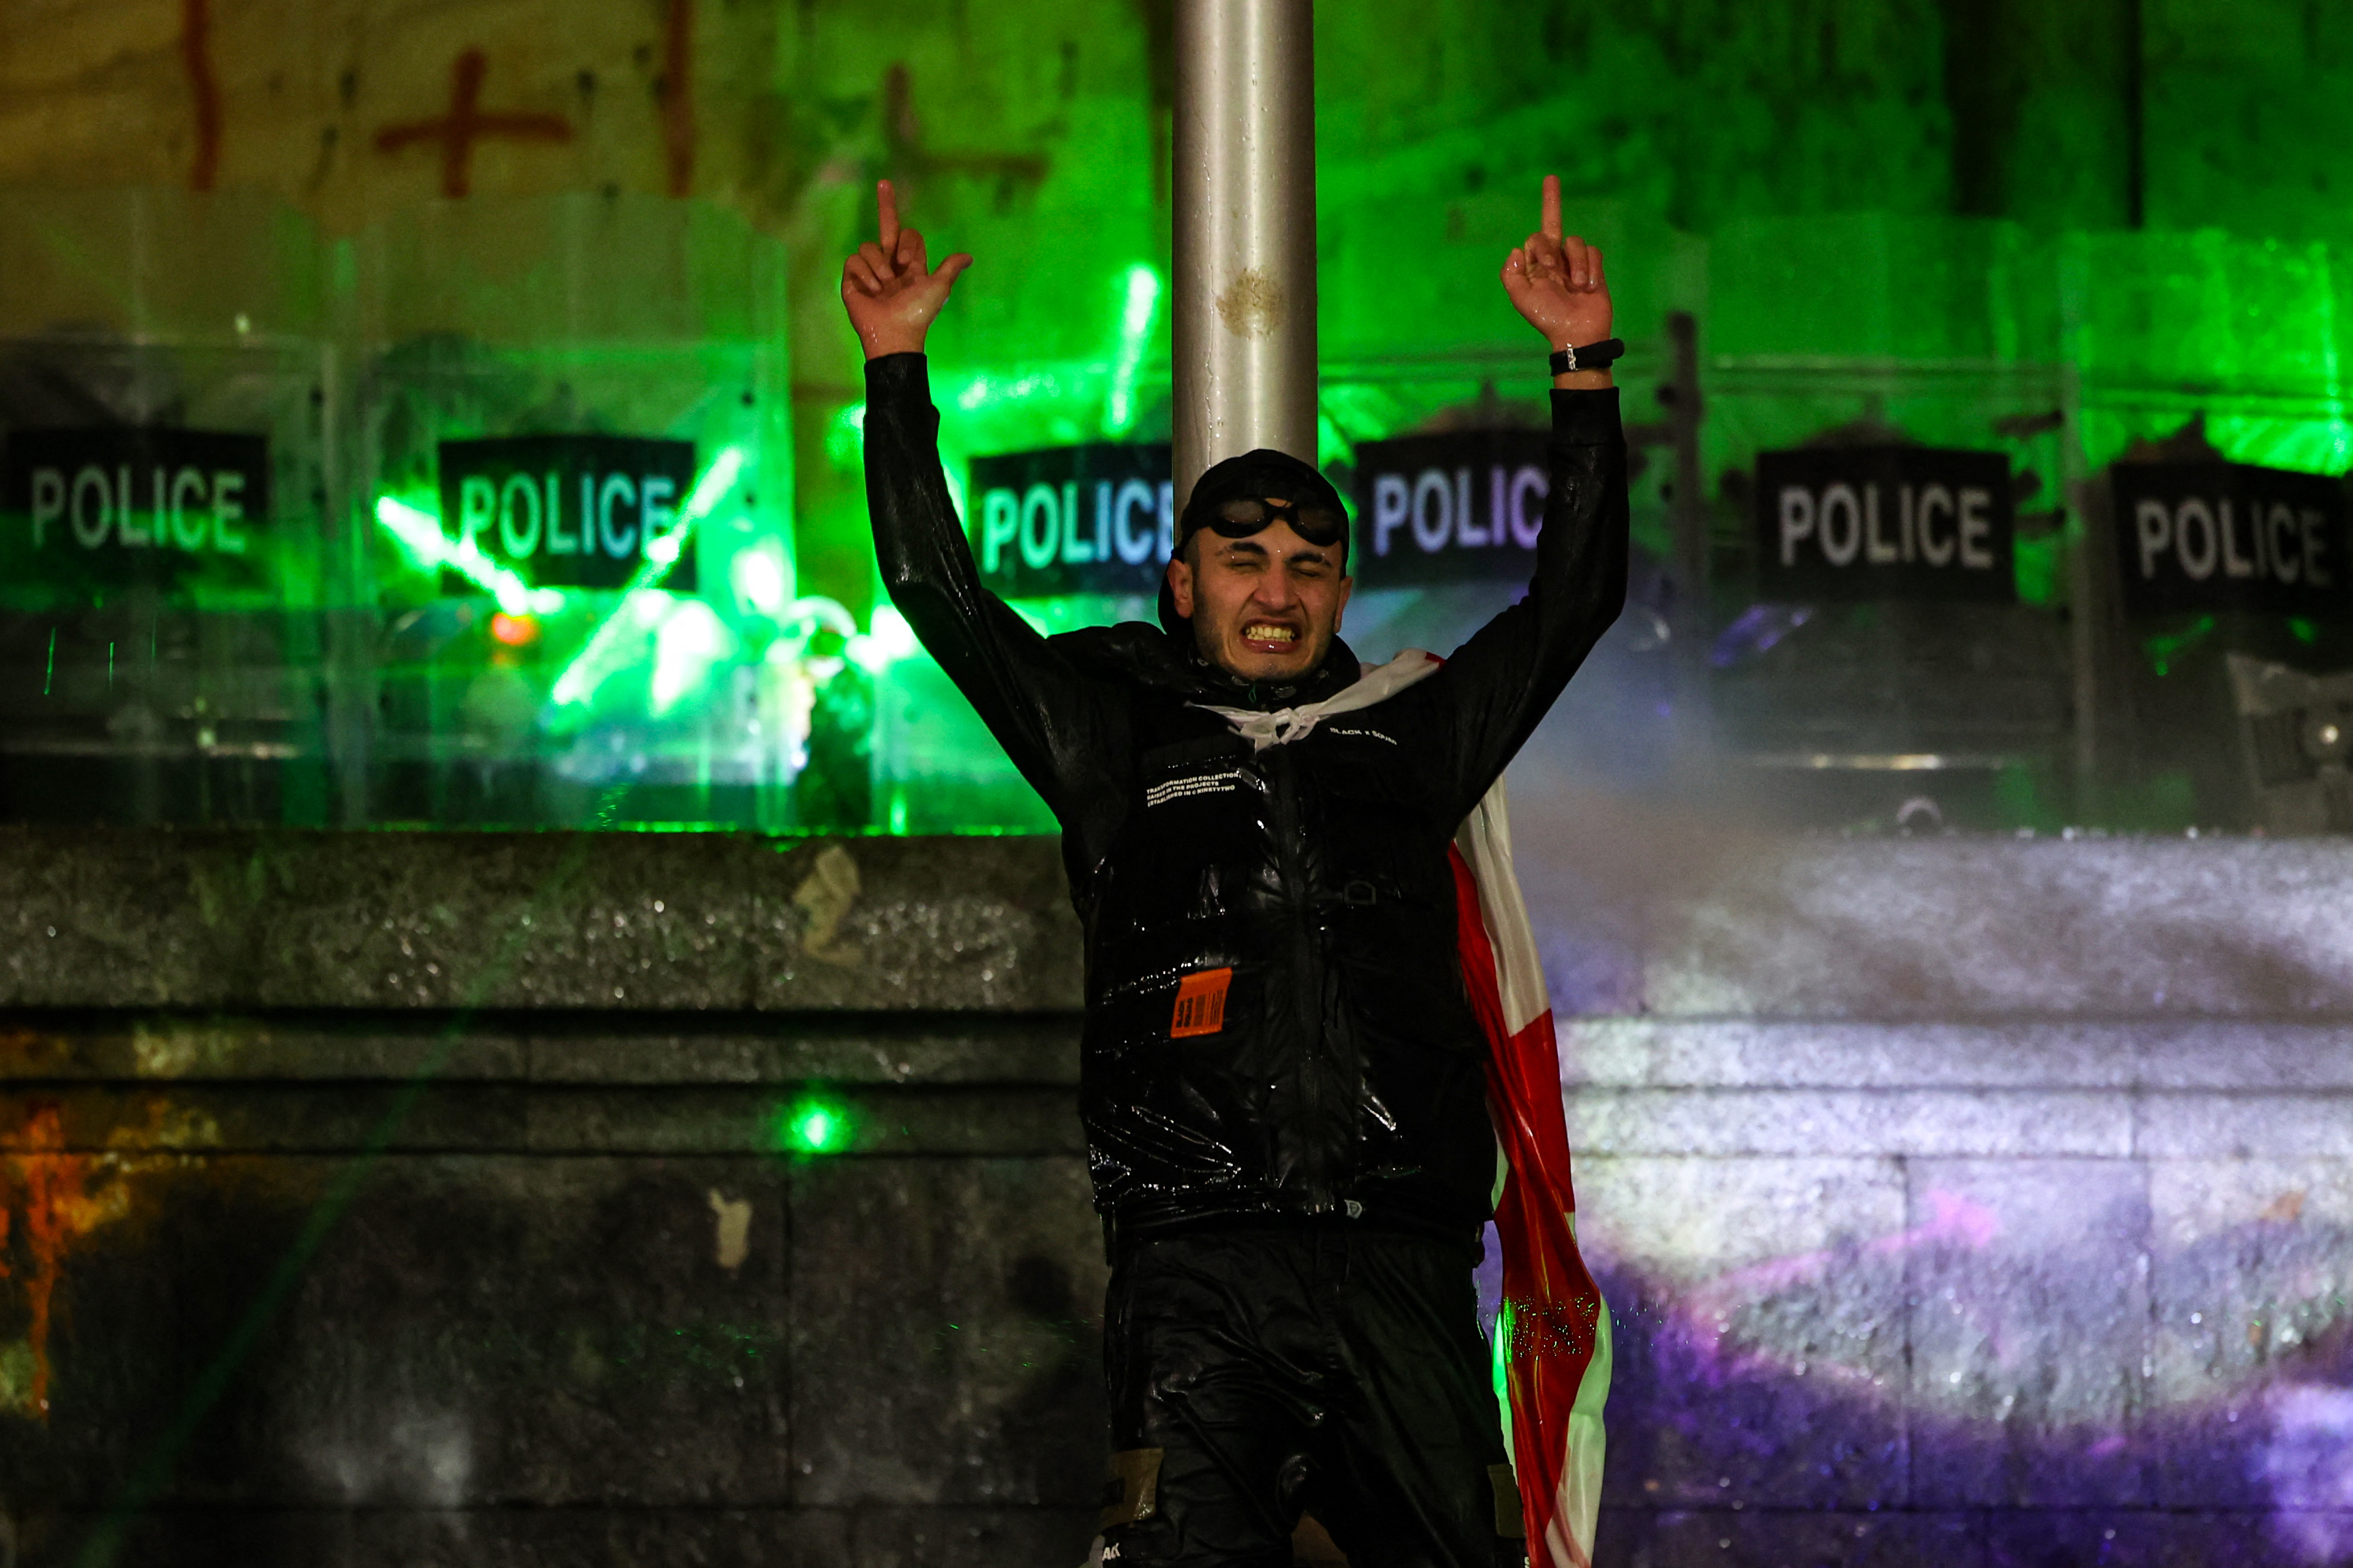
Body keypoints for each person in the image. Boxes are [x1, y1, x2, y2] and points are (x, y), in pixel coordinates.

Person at [844, 173, 1627, 1568]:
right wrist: (897, 368)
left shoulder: (1411, 729)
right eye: (1245, 559)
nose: (1278, 589)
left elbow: (1574, 597)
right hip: (1196, 1279)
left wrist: (1579, 369)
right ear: (1181, 581)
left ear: (1341, 589)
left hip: (1400, 1266)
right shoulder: (1110, 734)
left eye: (1309, 566)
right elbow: (935, 593)